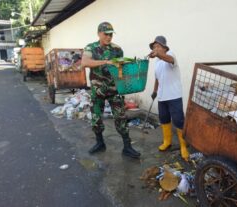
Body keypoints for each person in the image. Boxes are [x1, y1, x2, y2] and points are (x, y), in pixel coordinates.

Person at [81, 22, 141, 159]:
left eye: (111, 34)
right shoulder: (91, 48)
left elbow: (120, 69)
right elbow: (85, 63)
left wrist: (124, 79)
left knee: (121, 117)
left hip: (114, 89)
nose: (109, 37)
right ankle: (100, 143)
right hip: (98, 90)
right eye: (106, 34)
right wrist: (106, 62)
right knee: (96, 117)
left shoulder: (117, 49)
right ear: (99, 34)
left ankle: (127, 146)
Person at [148, 35, 189, 161]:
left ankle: (183, 146)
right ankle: (167, 141)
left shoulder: (170, 55)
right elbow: (157, 78)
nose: (155, 48)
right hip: (162, 96)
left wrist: (158, 54)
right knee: (164, 120)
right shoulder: (157, 62)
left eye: (158, 46)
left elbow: (169, 59)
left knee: (179, 121)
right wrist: (154, 91)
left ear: (164, 47)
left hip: (174, 95)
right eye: (154, 47)